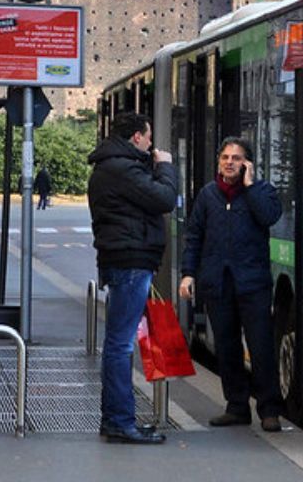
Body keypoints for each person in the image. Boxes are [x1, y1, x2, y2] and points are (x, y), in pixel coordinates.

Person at [179, 137, 285, 432]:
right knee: (226, 348)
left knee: (261, 348)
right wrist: (188, 273)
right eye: (225, 157)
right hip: (218, 285)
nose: (229, 162)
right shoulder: (208, 195)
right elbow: (194, 236)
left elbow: (269, 217)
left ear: (247, 163)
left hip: (253, 285)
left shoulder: (262, 191)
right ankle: (237, 406)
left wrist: (250, 187)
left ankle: (269, 409)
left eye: (236, 158)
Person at [88, 111, 178, 445]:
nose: (152, 143)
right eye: (149, 136)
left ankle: (115, 419)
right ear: (136, 137)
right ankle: (120, 422)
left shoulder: (113, 166)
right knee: (120, 344)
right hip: (130, 262)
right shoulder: (121, 168)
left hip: (125, 259)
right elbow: (164, 199)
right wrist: (166, 166)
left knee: (118, 342)